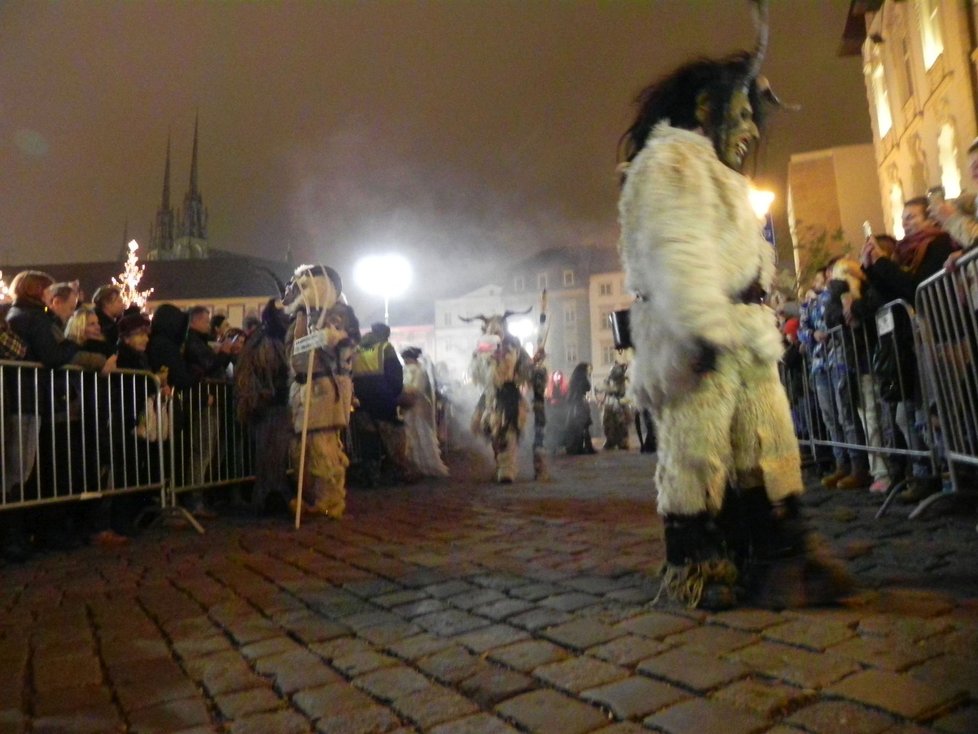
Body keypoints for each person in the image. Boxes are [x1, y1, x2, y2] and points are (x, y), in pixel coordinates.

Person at [616, 25, 849, 609]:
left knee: (764, 446)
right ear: (704, 108)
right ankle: (696, 565)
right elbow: (678, 249)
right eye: (740, 116)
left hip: (743, 335)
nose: (748, 131)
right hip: (699, 336)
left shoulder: (718, 174)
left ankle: (777, 554)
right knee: (697, 453)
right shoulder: (671, 161)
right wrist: (701, 325)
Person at [861, 198, 956, 503]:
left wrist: (883, 265)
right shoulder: (907, 251)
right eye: (903, 218)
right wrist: (873, 268)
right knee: (914, 414)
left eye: (912, 217)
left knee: (938, 411)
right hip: (916, 343)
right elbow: (894, 290)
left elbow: (914, 288)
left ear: (930, 219)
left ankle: (948, 473)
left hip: (942, 337)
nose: (906, 223)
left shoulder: (938, 244)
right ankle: (935, 472)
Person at [234, 299, 292, 512]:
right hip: (267, 403)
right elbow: (268, 368)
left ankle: (274, 494)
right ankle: (269, 497)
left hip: (272, 401)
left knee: (275, 452)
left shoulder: (273, 337)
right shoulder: (265, 340)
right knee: (270, 452)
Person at [352, 322, 416, 485]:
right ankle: (400, 472)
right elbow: (395, 375)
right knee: (392, 437)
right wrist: (394, 395)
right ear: (385, 334)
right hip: (383, 399)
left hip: (362, 401)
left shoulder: (358, 348)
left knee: (368, 438)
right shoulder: (385, 348)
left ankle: (371, 476)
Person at [400, 347, 449, 477]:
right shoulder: (413, 370)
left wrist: (403, 390)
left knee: (421, 433)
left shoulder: (419, 371)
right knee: (414, 434)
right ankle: (418, 465)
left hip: (418, 407)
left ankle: (426, 465)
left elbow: (416, 389)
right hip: (412, 407)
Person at [563, 362, 596, 455]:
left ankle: (578, 447)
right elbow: (588, 387)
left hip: (574, 405)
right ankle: (582, 447)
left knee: (578, 427)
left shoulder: (574, 379)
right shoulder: (582, 379)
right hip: (580, 404)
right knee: (582, 426)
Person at [601, 361, 632, 450]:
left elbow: (621, 391)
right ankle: (611, 441)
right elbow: (606, 390)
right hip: (612, 402)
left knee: (621, 423)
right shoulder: (610, 380)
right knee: (609, 423)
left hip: (618, 402)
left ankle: (622, 441)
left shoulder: (622, 380)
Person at [92, 284, 126, 349]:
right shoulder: (106, 328)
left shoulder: (113, 324)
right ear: (106, 303)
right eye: (119, 301)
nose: (123, 305)